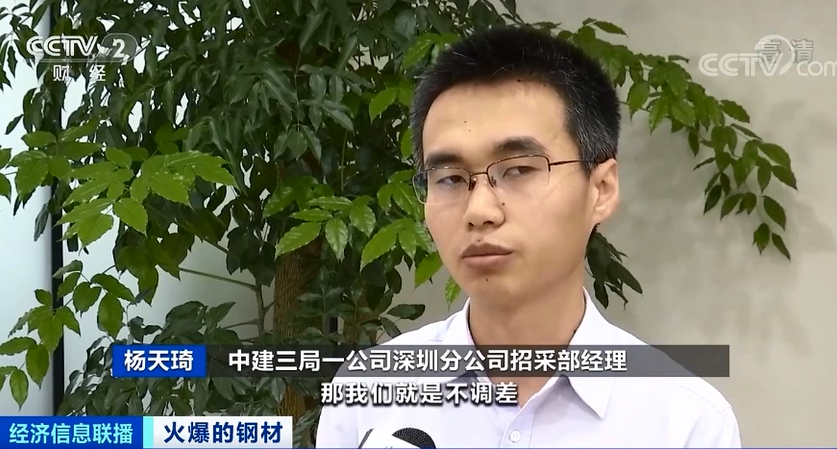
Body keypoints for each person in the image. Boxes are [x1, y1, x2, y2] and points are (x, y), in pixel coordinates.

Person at [316, 26, 741, 448]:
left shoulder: (684, 422)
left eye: (518, 170)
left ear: (601, 189)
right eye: (449, 178)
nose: (479, 211)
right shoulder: (368, 393)